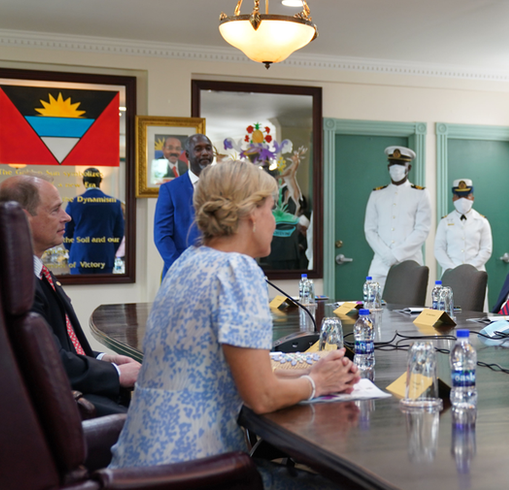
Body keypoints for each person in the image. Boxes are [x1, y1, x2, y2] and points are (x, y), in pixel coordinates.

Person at [109, 160, 359, 488]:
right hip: (196, 471)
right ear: (252, 214)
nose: (274, 222)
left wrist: (311, 372)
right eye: (272, 210)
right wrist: (317, 384)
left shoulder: (188, 260)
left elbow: (224, 369)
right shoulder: (237, 272)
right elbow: (263, 398)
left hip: (139, 465)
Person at [0, 176, 140, 416]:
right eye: (55, 210)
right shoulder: (17, 284)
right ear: (21, 218)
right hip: (64, 408)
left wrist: (105, 359)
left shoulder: (31, 272)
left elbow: (57, 347)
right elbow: (49, 363)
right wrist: (117, 374)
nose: (67, 217)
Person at [364, 146, 432, 291]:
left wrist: (396, 254)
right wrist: (386, 254)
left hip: (409, 262)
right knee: (375, 307)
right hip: (380, 265)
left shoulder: (420, 194)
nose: (396, 169)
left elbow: (422, 229)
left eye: (401, 165)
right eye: (393, 165)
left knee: (408, 309)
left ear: (409, 167)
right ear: (388, 167)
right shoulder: (377, 194)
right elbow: (369, 229)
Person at [154, 133, 213, 278]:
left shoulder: (225, 187)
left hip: (215, 273)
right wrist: (180, 268)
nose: (204, 153)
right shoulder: (170, 190)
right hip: (180, 274)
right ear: (187, 155)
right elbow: (162, 236)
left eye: (208, 148)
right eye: (198, 149)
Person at [64, 168, 125, 274]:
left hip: (80, 255)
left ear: (84, 182)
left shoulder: (74, 203)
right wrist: (110, 250)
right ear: (100, 181)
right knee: (103, 289)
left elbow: (66, 231)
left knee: (79, 289)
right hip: (105, 254)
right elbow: (119, 232)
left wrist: (74, 248)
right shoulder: (114, 203)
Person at [434, 179, 493, 274]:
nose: (462, 200)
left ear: (472, 198)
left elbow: (486, 249)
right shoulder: (445, 221)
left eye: (466, 196)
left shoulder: (482, 221)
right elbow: (439, 249)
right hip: (450, 272)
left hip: (475, 271)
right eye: (459, 196)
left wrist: (469, 268)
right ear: (453, 199)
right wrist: (453, 269)